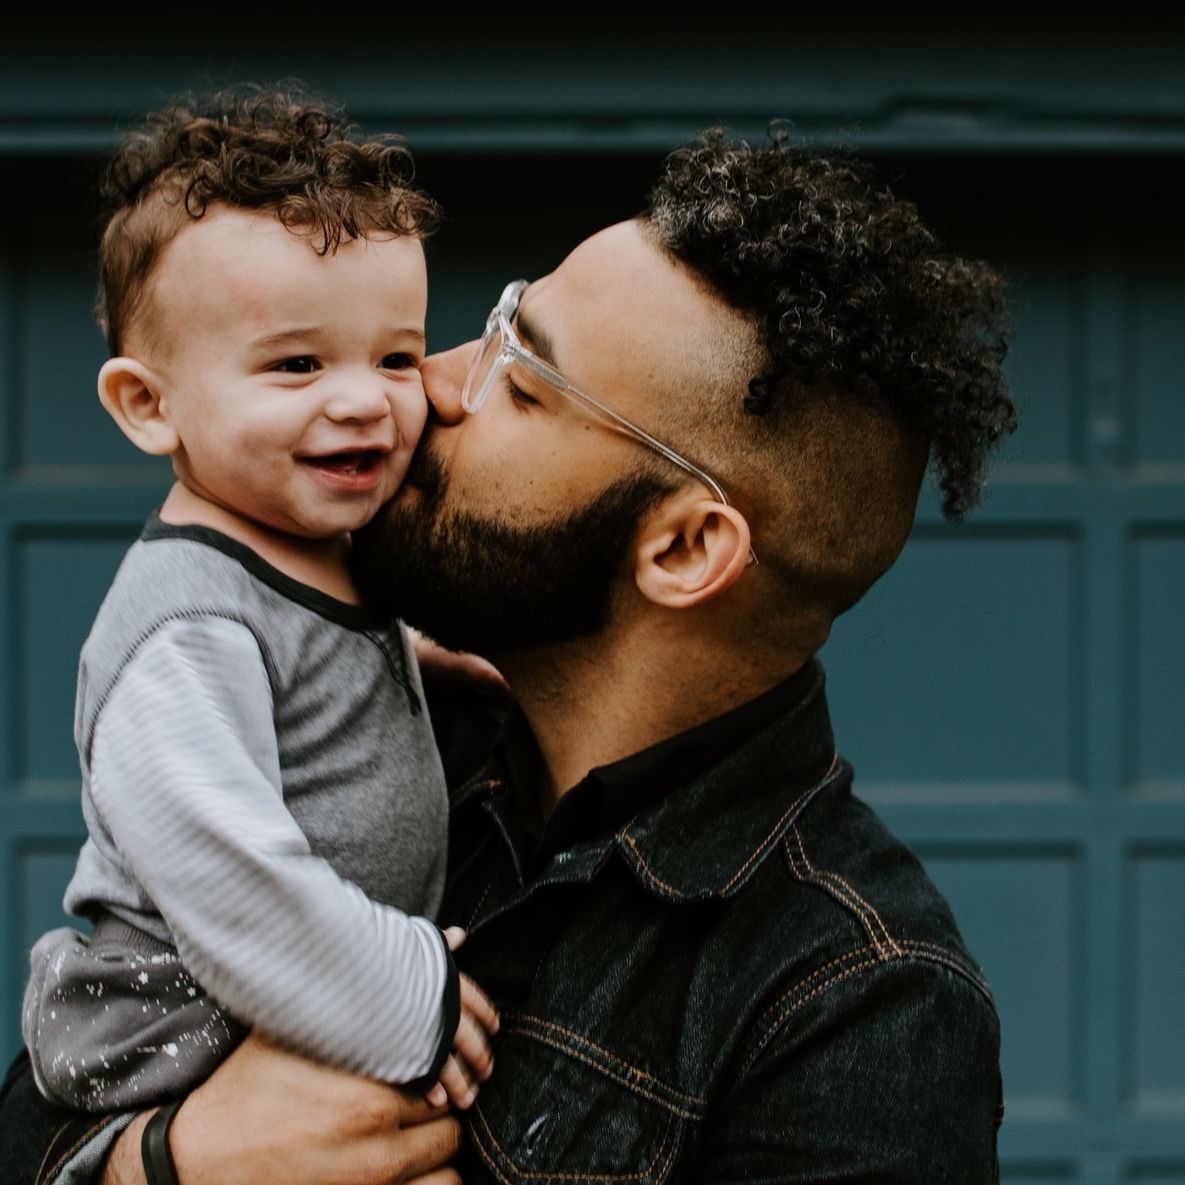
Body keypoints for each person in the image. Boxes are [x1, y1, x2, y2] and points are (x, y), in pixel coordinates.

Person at [0, 124, 1016, 1184]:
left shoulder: (856, 1003)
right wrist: (163, 1165)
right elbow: (58, 1085)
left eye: (522, 381)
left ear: (682, 546)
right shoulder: (368, 730)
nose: (426, 387)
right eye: (490, 331)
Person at [15, 85, 497, 1123]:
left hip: (288, 1002)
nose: (364, 397)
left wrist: (416, 660)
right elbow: (229, 873)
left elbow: (311, 666)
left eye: (397, 358)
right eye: (296, 364)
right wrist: (407, 996)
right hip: (176, 1029)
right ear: (150, 406)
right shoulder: (185, 628)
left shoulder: (316, 548)